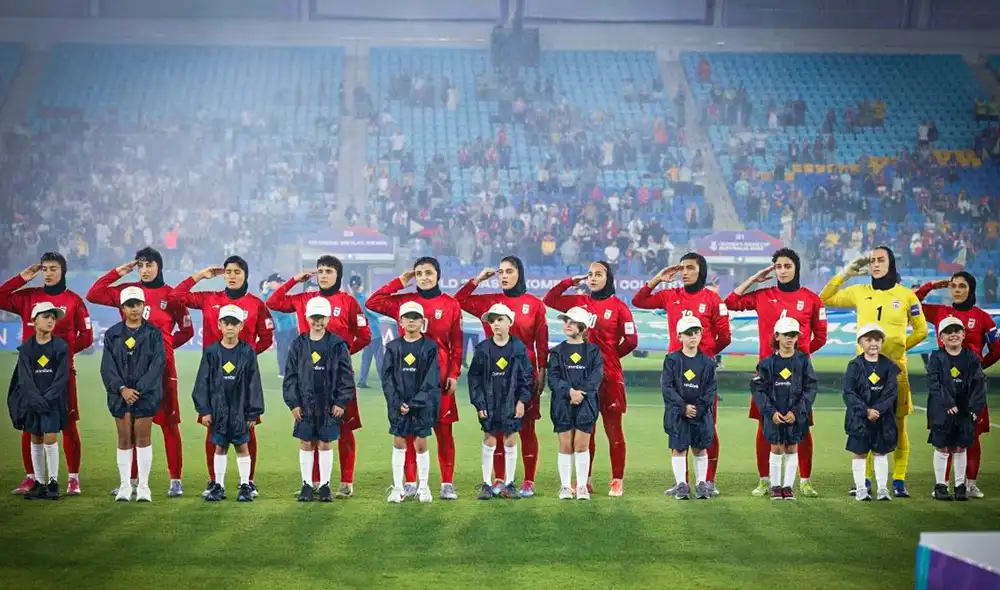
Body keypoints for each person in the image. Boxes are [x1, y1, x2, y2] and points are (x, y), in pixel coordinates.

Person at [820, 246, 928, 497]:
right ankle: (865, 481)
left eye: (881, 260)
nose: (876, 264)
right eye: (872, 261)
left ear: (891, 263)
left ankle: (898, 480)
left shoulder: (906, 296)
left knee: (899, 426)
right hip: (863, 371)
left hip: (895, 371)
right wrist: (845, 273)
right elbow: (823, 298)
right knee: (866, 424)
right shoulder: (859, 292)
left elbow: (921, 330)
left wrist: (898, 351)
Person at [86, 247, 193, 498]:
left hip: (164, 369)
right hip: (130, 372)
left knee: (169, 425)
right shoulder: (127, 293)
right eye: (140, 266)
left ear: (159, 267)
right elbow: (93, 294)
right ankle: (131, 480)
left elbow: (187, 331)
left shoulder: (171, 296)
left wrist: (164, 348)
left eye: (149, 265)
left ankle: (175, 480)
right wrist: (118, 272)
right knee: (131, 426)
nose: (145, 270)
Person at [265, 256, 371, 498]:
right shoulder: (305, 299)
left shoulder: (348, 302)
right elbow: (273, 301)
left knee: (344, 429)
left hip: (338, 380)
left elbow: (364, 335)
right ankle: (313, 482)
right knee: (309, 431)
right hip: (307, 379)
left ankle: (346, 481)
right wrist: (294, 279)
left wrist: (340, 356)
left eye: (329, 271)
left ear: (338, 275)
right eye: (320, 271)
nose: (323, 275)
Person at [725, 248, 828, 497]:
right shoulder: (763, 295)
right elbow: (729, 302)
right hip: (767, 374)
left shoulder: (812, 300)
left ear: (796, 268)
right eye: (778, 267)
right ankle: (764, 480)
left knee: (801, 427)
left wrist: (798, 360)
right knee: (765, 426)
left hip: (798, 376)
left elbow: (821, 337)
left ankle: (804, 480)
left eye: (787, 266)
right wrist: (754, 279)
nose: (782, 271)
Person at [169, 256, 274, 498]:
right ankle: (214, 480)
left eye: (237, 271)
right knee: (212, 429)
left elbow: (267, 337)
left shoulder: (256, 304)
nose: (232, 276)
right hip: (214, 374)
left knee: (248, 429)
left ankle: (249, 481)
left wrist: (245, 360)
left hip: (242, 379)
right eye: (228, 272)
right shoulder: (210, 298)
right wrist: (199, 275)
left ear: (245, 275)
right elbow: (175, 297)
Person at [632, 253, 730, 496]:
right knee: (678, 427)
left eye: (690, 268)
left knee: (707, 426)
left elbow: (725, 336)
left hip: (703, 373)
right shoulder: (671, 296)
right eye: (682, 268)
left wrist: (704, 359)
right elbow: (638, 301)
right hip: (675, 371)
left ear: (701, 271)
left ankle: (708, 481)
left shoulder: (713, 300)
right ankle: (682, 483)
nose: (684, 272)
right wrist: (657, 279)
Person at [366, 257, 463, 500]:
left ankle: (446, 483)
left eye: (428, 272)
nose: (423, 277)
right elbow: (373, 301)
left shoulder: (450, 304)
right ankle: (409, 483)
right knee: (408, 431)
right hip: (407, 379)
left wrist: (453, 373)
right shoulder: (404, 302)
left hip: (437, 379)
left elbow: (457, 345)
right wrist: (401, 280)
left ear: (438, 275)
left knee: (443, 431)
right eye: (418, 273)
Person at [456, 256, 549, 497]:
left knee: (526, 426)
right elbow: (457, 302)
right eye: (501, 272)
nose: (504, 276)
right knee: (495, 427)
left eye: (509, 271)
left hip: (523, 376)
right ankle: (498, 479)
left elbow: (542, 341)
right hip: (493, 376)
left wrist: (542, 370)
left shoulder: (535, 304)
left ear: (520, 273)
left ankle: (528, 480)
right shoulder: (489, 302)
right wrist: (477, 280)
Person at [544, 261, 639, 497]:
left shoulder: (619, 307)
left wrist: (611, 356)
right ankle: (584, 481)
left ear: (609, 278)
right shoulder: (580, 304)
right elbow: (550, 300)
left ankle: (617, 480)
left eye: (598, 274)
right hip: (581, 379)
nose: (593, 278)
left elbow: (632, 340)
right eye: (590, 275)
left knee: (613, 430)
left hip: (609, 377)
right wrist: (569, 282)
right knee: (587, 429)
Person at [1, 253, 93, 496]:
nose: (49, 273)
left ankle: (73, 478)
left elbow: (87, 336)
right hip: (30, 373)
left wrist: (64, 356)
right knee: (30, 426)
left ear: (63, 271)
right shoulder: (28, 297)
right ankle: (32, 477)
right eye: (44, 269)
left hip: (62, 373)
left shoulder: (74, 300)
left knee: (69, 424)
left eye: (54, 268)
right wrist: (21, 278)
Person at [915, 272, 998, 498]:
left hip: (970, 389)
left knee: (971, 437)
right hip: (944, 388)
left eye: (962, 286)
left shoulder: (983, 318)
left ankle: (969, 485)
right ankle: (942, 485)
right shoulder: (941, 312)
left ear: (971, 289)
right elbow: (912, 303)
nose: (957, 290)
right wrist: (931, 285)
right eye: (953, 286)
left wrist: (979, 368)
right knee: (945, 436)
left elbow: (997, 350)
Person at [282, 297, 355, 503]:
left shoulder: (337, 344)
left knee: (325, 443)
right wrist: (293, 403)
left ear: (328, 318)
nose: (318, 322)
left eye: (321, 318)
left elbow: (346, 377)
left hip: (329, 403)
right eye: (314, 317)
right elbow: (290, 377)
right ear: (307, 318)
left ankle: (324, 486)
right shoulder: (299, 344)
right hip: (304, 404)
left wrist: (341, 402)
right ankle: (306, 485)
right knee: (306, 442)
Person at [192, 304, 265, 503]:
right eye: (226, 323)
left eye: (235, 323)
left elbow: (254, 383)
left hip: (241, 409)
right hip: (218, 409)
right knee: (220, 447)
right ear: (219, 325)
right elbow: (202, 382)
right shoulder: (211, 351)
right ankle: (219, 485)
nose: (230, 327)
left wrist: (253, 413)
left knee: (243, 446)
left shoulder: (248, 351)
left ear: (241, 325)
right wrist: (204, 410)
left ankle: (244, 485)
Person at [100, 286, 166, 503]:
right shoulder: (113, 334)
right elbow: (107, 366)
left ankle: (144, 487)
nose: (134, 309)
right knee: (124, 438)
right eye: (130, 305)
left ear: (144, 306)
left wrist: (138, 390)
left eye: (137, 304)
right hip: (119, 394)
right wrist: (121, 389)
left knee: (143, 437)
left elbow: (158, 364)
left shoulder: (154, 333)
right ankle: (125, 486)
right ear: (122, 308)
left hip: (145, 394)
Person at [468, 303, 533, 500]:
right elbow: (474, 379)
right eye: (492, 320)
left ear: (510, 323)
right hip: (488, 402)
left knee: (510, 439)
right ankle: (487, 484)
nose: (495, 324)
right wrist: (479, 404)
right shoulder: (482, 349)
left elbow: (526, 378)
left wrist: (522, 401)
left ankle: (510, 483)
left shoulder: (519, 348)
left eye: (499, 320)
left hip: (510, 401)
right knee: (489, 439)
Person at [6, 302, 70, 500]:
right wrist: (36, 399)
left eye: (53, 317)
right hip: (32, 402)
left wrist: (47, 399)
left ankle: (53, 482)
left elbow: (61, 378)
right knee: (35, 437)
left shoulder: (60, 346)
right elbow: (24, 379)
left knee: (50, 437)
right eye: (46, 316)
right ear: (34, 321)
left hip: (52, 402)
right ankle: (39, 483)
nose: (51, 320)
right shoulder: (26, 348)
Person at [751, 318, 818, 500]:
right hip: (774, 414)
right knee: (776, 447)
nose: (790, 339)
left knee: (791, 447)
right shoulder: (766, 363)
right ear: (777, 336)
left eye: (794, 335)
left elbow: (810, 388)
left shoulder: (803, 361)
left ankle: (788, 487)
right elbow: (758, 389)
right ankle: (775, 486)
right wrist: (771, 412)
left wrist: (796, 412)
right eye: (786, 335)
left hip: (796, 415)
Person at [382, 302, 441, 503]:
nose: (412, 321)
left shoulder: (430, 346)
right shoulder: (392, 347)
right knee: (399, 443)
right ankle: (398, 488)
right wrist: (397, 402)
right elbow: (387, 379)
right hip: (398, 405)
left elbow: (432, 379)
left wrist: (415, 403)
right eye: (408, 317)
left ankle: (423, 488)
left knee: (421, 444)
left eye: (416, 317)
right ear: (400, 321)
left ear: (422, 321)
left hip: (422, 406)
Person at [926, 317, 988, 501]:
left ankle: (960, 486)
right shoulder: (936, 357)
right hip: (941, 410)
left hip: (965, 410)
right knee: (943, 447)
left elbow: (979, 384)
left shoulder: (971, 358)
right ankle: (941, 486)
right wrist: (948, 403)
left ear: (963, 334)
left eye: (956, 331)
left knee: (961, 447)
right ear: (941, 338)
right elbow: (934, 383)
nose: (953, 335)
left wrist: (974, 408)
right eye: (948, 332)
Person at [547, 306, 603, 500]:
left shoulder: (594, 351)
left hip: (586, 403)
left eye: (571, 321)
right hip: (562, 403)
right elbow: (553, 378)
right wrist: (569, 392)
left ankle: (581, 487)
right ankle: (565, 487)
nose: (567, 324)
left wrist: (581, 393)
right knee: (565, 445)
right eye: (566, 321)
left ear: (583, 326)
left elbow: (596, 377)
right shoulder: (556, 351)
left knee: (581, 445)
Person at [661, 316, 717, 500]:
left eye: (696, 332)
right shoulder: (672, 360)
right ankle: (681, 485)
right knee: (679, 448)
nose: (693, 336)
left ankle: (701, 483)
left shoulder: (708, 363)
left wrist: (698, 409)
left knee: (700, 448)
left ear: (701, 334)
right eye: (688, 333)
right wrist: (683, 407)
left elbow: (711, 390)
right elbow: (667, 387)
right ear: (679, 337)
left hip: (700, 415)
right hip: (678, 414)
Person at [843, 324, 900, 501]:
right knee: (859, 453)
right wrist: (865, 411)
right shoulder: (854, 365)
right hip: (859, 419)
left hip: (882, 419)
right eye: (868, 339)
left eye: (877, 339)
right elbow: (848, 392)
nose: (873, 343)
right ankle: (861, 489)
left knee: (881, 453)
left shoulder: (889, 366)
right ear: (860, 342)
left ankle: (883, 489)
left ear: (882, 342)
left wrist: (878, 410)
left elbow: (891, 392)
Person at [260, 273, 298, 379]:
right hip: (281, 328)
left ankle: (293, 369)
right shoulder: (268, 295)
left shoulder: (279, 293)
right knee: (283, 349)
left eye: (281, 281)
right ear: (271, 283)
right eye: (278, 282)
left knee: (295, 348)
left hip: (292, 326)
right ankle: (282, 371)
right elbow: (276, 310)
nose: (281, 284)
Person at [351, 275, 384, 389]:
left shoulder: (352, 301)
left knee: (366, 358)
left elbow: (359, 318)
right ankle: (384, 381)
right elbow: (373, 313)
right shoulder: (365, 299)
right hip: (374, 332)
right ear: (360, 286)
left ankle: (362, 380)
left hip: (365, 334)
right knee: (379, 358)